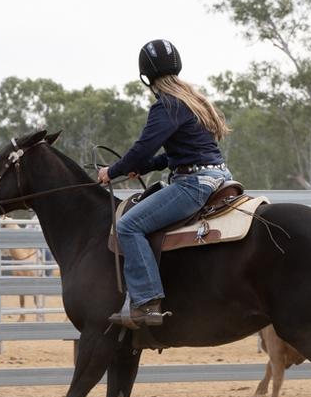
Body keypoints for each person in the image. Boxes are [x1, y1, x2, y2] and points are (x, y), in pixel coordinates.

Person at [97, 39, 233, 329]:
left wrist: (114, 170)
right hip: (221, 176)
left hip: (194, 183)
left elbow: (143, 147)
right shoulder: (194, 101)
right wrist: (142, 167)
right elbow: (176, 153)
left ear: (145, 76)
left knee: (127, 227)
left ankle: (147, 301)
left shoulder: (166, 106)